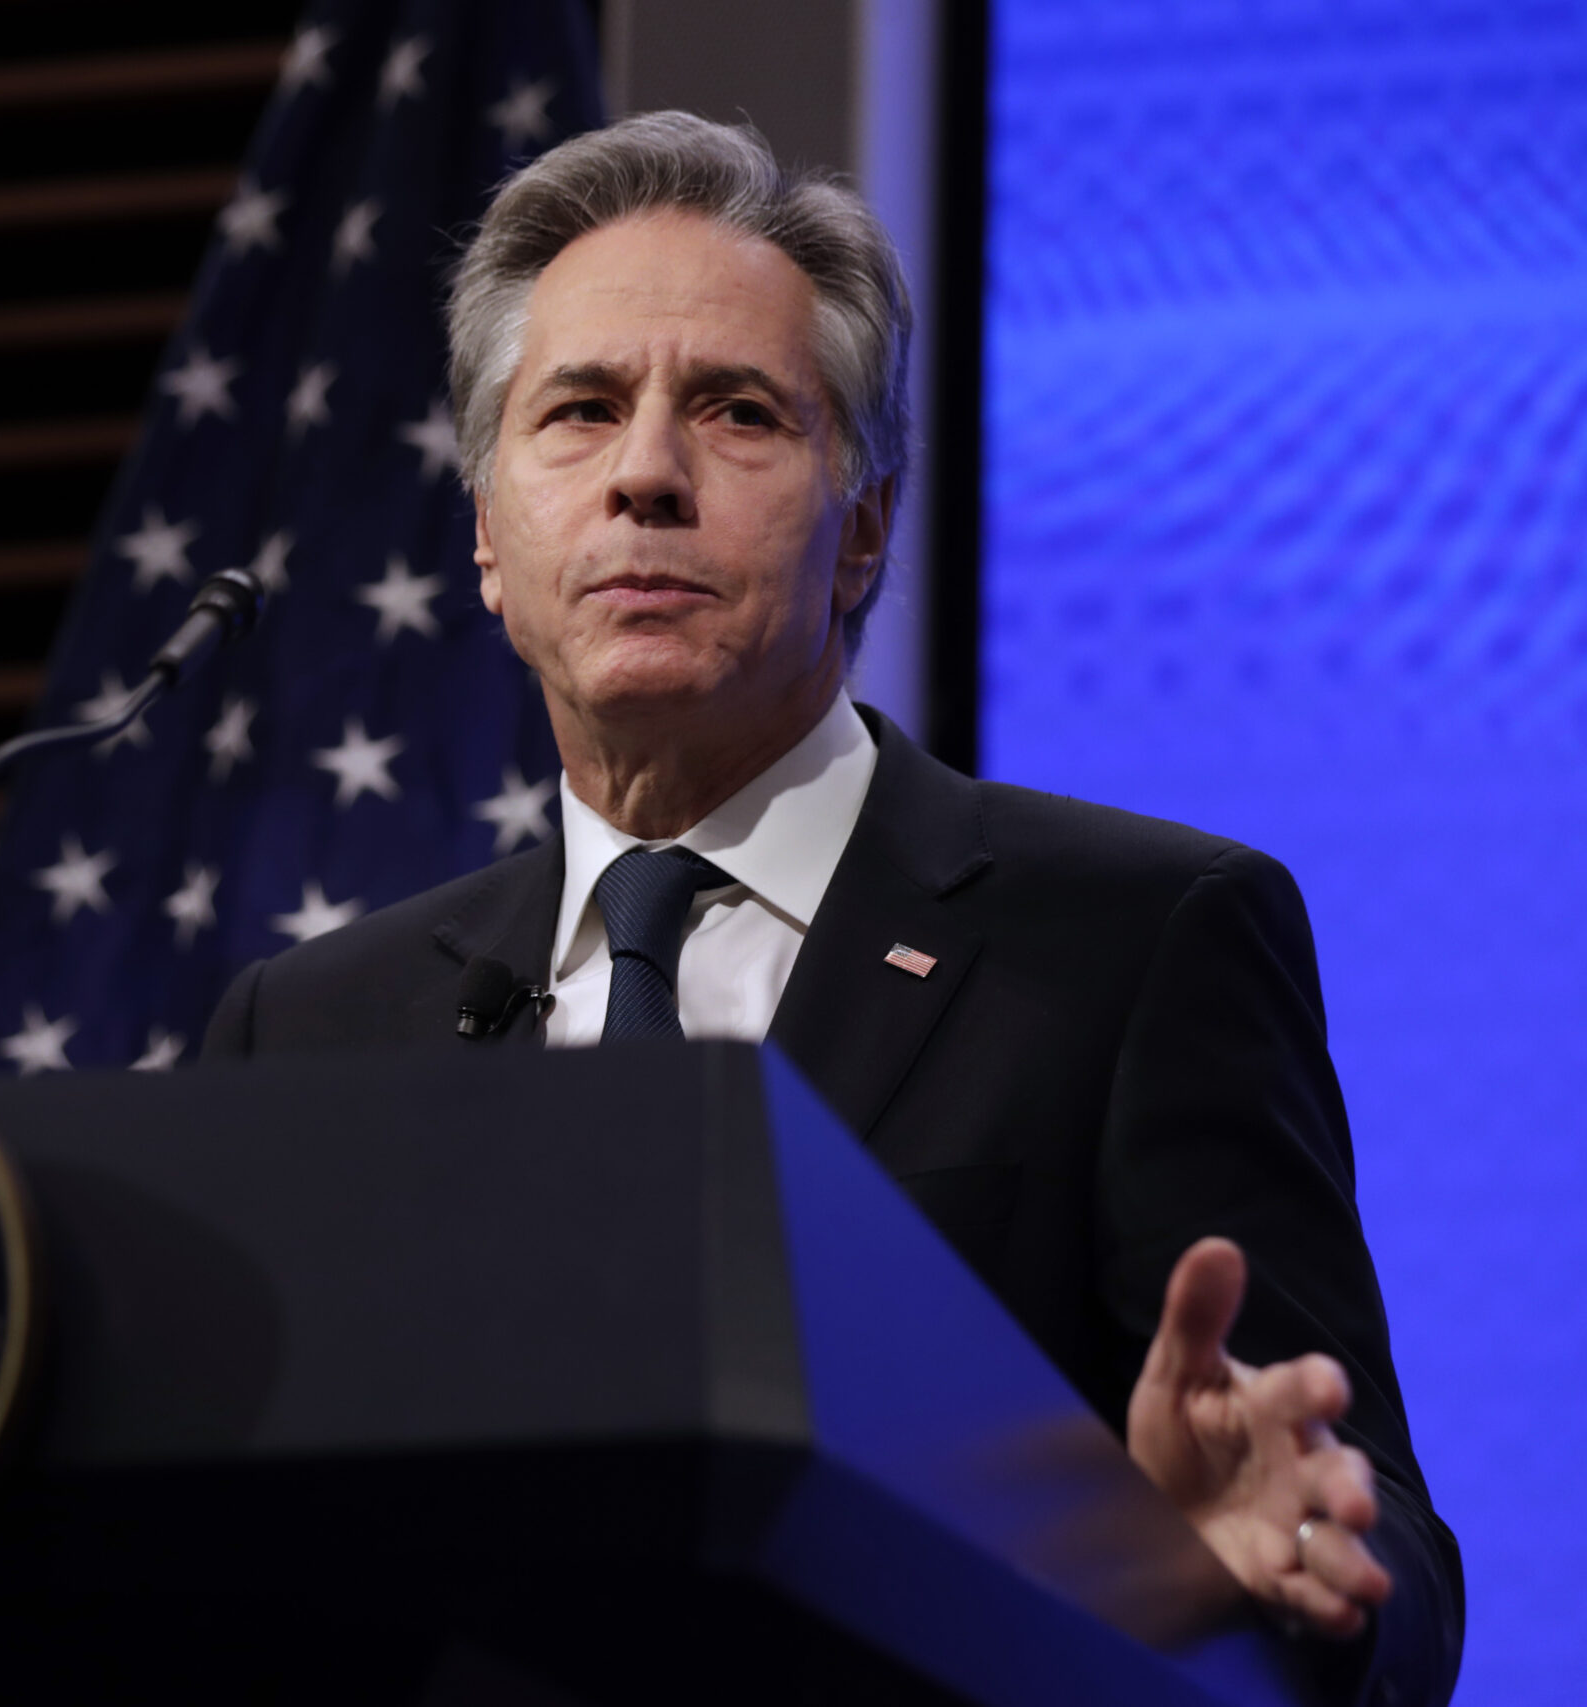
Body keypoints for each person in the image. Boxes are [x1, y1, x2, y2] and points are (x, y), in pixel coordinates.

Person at [204, 111, 1461, 1706]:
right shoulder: (313, 1034)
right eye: (579, 411)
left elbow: (1385, 1561)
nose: (645, 476)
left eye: (736, 412)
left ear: (863, 527)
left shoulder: (1138, 944)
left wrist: (1238, 1584)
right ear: (490, 542)